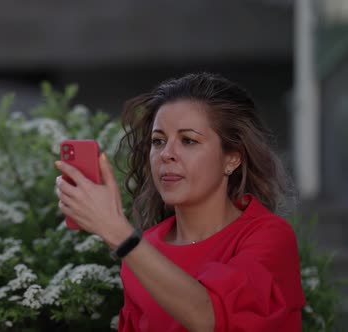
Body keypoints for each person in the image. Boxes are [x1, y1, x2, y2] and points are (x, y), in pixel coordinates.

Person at [54, 72, 305, 331]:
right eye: (158, 141)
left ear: (232, 158)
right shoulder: (144, 249)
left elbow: (211, 318)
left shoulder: (269, 236)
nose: (166, 154)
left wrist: (119, 235)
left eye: (188, 140)